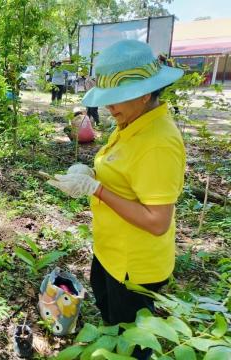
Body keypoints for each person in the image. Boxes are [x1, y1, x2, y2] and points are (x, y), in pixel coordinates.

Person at [48, 40, 185, 360]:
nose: (110, 107)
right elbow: (122, 172)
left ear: (146, 92)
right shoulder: (132, 122)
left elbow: (157, 221)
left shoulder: (158, 143)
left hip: (133, 266)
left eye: (117, 98)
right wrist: (90, 173)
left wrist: (97, 190)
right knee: (110, 316)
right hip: (111, 250)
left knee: (131, 342)